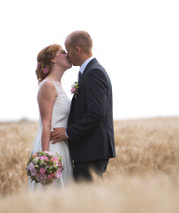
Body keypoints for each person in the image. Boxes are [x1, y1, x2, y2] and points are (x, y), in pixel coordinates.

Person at [51, 31, 116, 182]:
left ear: (77, 49)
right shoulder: (89, 71)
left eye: (68, 51)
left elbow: (96, 113)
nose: (67, 55)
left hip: (91, 150)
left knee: (88, 199)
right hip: (88, 149)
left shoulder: (94, 73)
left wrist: (67, 132)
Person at [28, 44, 73, 191]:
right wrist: (45, 158)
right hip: (52, 147)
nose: (67, 54)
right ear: (53, 59)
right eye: (63, 52)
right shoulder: (48, 85)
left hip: (62, 145)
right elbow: (46, 124)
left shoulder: (58, 86)